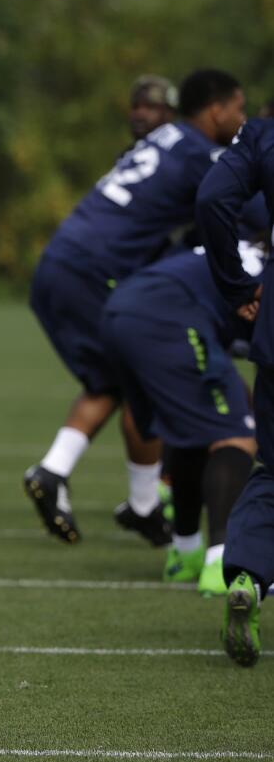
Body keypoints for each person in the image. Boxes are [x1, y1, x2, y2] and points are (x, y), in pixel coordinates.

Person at [25, 68, 246, 544]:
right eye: (238, 109)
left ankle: (97, 487)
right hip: (95, 269)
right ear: (215, 109)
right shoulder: (199, 152)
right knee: (139, 371)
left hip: (61, 261)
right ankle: (133, 498)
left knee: (111, 380)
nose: (241, 118)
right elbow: (246, 210)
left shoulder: (163, 140)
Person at [101, 247, 260, 595]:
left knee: (192, 431)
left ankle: (184, 556)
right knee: (236, 435)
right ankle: (221, 562)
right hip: (169, 317)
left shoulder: (242, 251)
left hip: (119, 311)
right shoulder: (263, 278)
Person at [198, 115, 274, 666]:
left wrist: (234, 285)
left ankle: (248, 572)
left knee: (272, 470)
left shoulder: (263, 133)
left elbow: (212, 201)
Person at [129, 75, 179, 142]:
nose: (139, 113)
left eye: (149, 107)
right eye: (135, 106)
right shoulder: (132, 152)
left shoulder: (189, 150)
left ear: (169, 113)